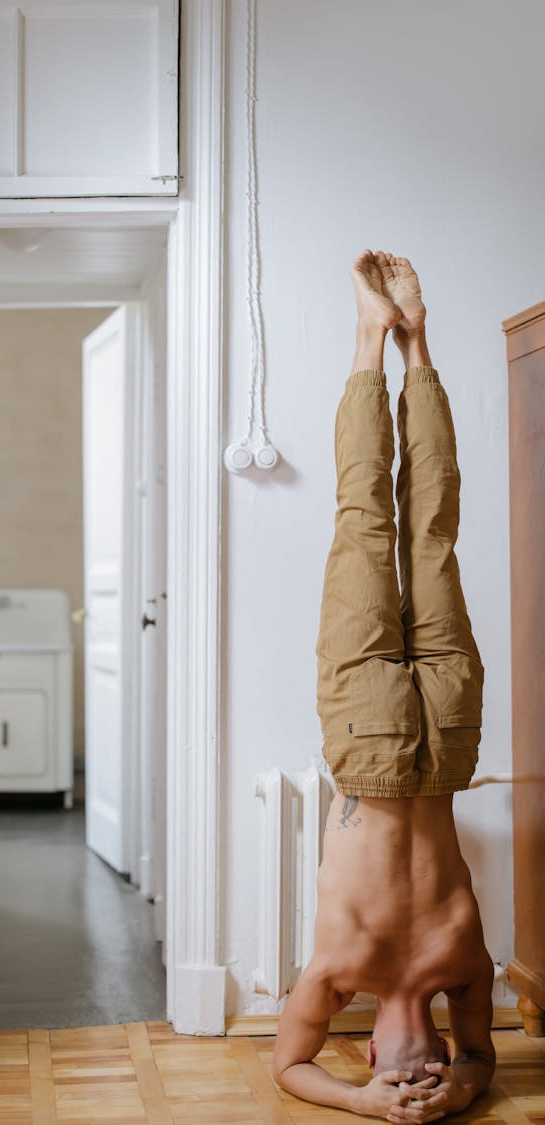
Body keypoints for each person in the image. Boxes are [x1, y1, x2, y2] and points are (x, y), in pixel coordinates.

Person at [271, 251, 495, 1123]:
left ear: (363, 1047)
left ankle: (374, 337)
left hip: (370, 742)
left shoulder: (340, 975)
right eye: (422, 1077)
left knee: (368, 518)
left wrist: (366, 1105)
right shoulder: (460, 969)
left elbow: (290, 1066)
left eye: (393, 1076)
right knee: (432, 529)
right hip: (445, 744)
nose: (413, 1079)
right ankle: (418, 343)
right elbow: (480, 1053)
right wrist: (464, 1086)